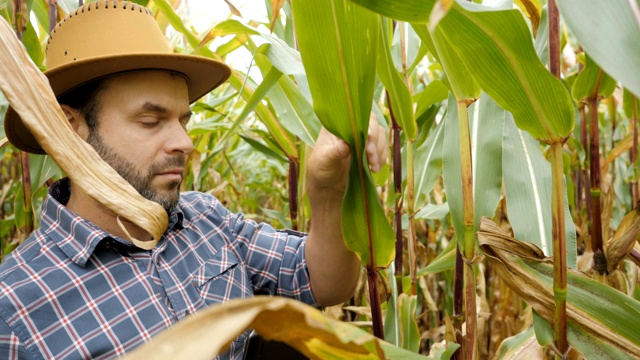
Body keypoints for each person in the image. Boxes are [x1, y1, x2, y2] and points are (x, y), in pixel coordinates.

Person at [0, 1, 388, 359]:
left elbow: (324, 281)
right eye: (151, 121)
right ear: (71, 128)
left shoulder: (205, 219)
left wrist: (330, 190)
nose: (185, 143)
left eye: (183, 120)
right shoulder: (14, 311)